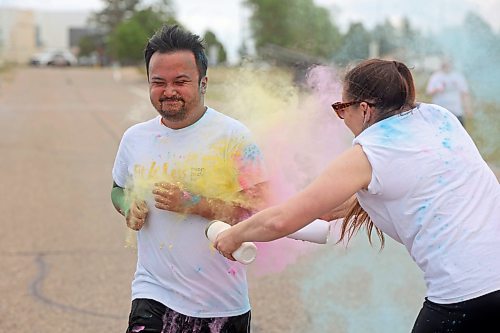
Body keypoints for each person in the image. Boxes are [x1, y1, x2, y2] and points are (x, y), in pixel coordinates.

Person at [214, 59, 500, 332]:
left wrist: (234, 236)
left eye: (341, 108)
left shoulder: (371, 151)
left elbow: (280, 221)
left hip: (467, 293)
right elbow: (340, 207)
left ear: (364, 109)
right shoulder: (439, 117)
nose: (341, 117)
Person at [111, 25, 267, 333]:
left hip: (220, 304)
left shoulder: (234, 137)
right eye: (158, 82)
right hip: (151, 293)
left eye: (180, 81)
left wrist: (194, 204)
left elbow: (260, 211)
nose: (168, 91)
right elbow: (117, 189)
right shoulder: (135, 138)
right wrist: (128, 204)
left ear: (203, 82)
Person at [426, 57, 471, 127]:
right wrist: (437, 89)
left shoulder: (458, 76)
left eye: (448, 63)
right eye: (445, 63)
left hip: (456, 111)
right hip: (440, 112)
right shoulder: (436, 76)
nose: (446, 65)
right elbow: (429, 92)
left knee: (459, 135)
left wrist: (467, 108)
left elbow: (465, 93)